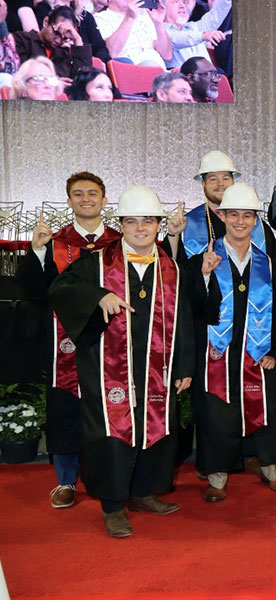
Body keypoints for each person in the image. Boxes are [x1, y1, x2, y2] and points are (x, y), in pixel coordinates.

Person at [48, 185, 194, 538]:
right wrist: (99, 296)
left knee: (156, 427)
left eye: (148, 221)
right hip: (107, 370)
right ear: (122, 224)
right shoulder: (97, 262)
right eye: (132, 221)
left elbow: (186, 318)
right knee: (112, 433)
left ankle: (143, 492)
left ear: (159, 225)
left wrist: (184, 366)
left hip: (156, 369)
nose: (141, 228)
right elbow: (60, 290)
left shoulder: (171, 267)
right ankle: (112, 505)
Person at [15, 171, 121, 509]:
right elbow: (34, 291)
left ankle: (112, 477)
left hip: (112, 340)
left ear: (105, 200)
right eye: (78, 194)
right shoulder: (55, 242)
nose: (86, 199)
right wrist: (38, 252)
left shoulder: (122, 241)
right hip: (66, 343)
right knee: (66, 408)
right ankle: (65, 481)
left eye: (93, 193)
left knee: (110, 408)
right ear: (69, 200)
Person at [185, 183, 276, 502]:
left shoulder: (267, 262)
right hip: (216, 351)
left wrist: (274, 350)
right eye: (234, 215)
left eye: (247, 215)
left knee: (267, 408)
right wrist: (202, 277)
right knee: (216, 412)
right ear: (222, 216)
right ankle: (217, 475)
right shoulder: (204, 259)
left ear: (256, 220)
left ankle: (270, 467)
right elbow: (190, 309)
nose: (240, 221)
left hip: (256, 351)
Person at [12, 5, 91, 79]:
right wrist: (54, 82)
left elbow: (82, 80)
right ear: (46, 22)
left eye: (64, 38)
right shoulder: (22, 40)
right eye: (56, 33)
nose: (58, 40)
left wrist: (77, 39)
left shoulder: (63, 54)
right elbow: (19, 75)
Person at [94, 0, 172, 68]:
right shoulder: (100, 18)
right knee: (150, 64)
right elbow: (111, 52)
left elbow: (167, 55)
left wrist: (159, 23)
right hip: (130, 71)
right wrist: (129, 18)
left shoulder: (145, 15)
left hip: (159, 70)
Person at [163, 0, 231, 70]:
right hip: (182, 79)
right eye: (176, 2)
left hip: (209, 78)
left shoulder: (195, 27)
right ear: (162, 7)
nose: (182, 6)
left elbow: (217, 13)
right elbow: (175, 39)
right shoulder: (160, 31)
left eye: (184, 2)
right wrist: (203, 36)